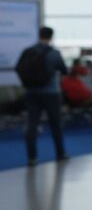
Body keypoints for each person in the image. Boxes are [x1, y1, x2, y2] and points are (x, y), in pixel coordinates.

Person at [17, 26, 69, 166]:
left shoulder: (28, 51)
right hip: (51, 93)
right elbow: (64, 70)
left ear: (39, 35)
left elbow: (18, 68)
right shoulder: (53, 53)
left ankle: (32, 157)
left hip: (31, 92)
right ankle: (60, 153)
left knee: (32, 124)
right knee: (55, 124)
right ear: (51, 37)